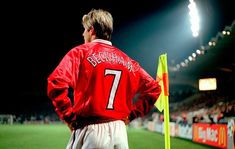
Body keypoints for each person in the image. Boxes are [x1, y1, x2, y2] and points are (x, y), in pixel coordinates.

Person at [47, 8, 161, 149]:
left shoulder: (80, 53)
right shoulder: (128, 61)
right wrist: (131, 115)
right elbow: (154, 88)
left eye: (85, 30)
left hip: (91, 130)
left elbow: (56, 81)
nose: (83, 34)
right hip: (120, 133)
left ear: (92, 31)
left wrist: (68, 117)